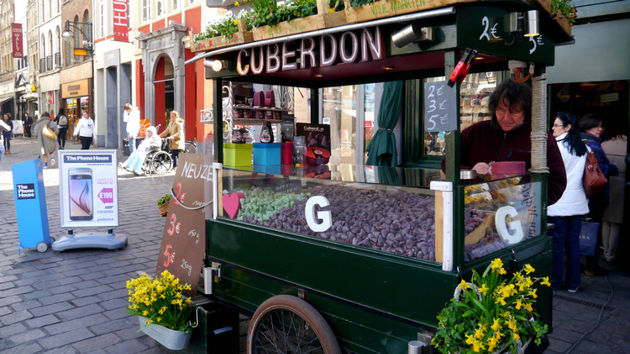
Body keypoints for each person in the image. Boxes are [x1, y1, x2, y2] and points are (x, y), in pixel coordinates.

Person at [459, 79, 567, 205]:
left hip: (522, 216)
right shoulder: (475, 132)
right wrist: (472, 173)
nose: (506, 118)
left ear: (526, 112)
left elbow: (556, 182)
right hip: (477, 209)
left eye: (514, 112)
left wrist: (527, 198)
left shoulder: (540, 138)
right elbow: (448, 166)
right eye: (501, 110)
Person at [548, 113, 589, 292]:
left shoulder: (555, 148)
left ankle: (555, 282)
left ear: (568, 127)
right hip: (577, 202)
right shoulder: (584, 148)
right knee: (573, 244)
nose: (553, 128)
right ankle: (573, 284)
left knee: (557, 245)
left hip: (558, 203)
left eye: (557, 125)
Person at [579, 114, 615, 275]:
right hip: (594, 193)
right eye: (597, 126)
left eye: (601, 126)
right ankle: (591, 266)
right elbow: (600, 170)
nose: (600, 129)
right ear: (588, 127)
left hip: (580, 192)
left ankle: (581, 263)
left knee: (581, 227)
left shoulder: (577, 142)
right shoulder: (594, 145)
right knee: (592, 228)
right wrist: (613, 168)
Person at [600, 134, 626, 268]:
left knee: (606, 220)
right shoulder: (626, 146)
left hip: (607, 183)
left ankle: (604, 250)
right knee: (616, 223)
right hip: (621, 185)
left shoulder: (604, 144)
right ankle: (611, 254)